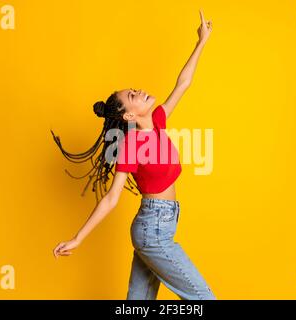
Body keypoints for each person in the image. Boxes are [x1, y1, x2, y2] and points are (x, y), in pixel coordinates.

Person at [51, 10, 215, 300]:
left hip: (159, 227)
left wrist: (201, 41)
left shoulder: (159, 120)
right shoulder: (129, 145)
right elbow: (112, 198)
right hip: (153, 229)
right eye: (133, 96)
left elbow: (183, 84)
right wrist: (78, 238)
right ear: (128, 114)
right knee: (203, 298)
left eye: (135, 90)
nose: (140, 92)